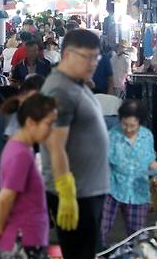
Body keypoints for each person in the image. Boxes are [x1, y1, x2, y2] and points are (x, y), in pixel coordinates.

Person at [41, 29, 108, 259]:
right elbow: (54, 144)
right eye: (87, 57)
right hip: (76, 193)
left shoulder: (74, 83)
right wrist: (66, 191)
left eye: (96, 58)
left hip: (88, 190)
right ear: (68, 54)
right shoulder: (60, 89)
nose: (93, 63)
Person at [0, 94, 58, 259]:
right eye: (49, 124)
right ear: (30, 122)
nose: (52, 129)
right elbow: (5, 197)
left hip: (27, 236)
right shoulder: (20, 153)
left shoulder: (22, 149)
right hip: (24, 240)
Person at [100, 100, 157, 246]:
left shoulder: (147, 136)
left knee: (137, 236)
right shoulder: (112, 135)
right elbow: (103, 162)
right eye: (125, 124)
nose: (128, 129)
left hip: (138, 190)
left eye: (133, 126)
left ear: (140, 123)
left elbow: (150, 160)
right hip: (113, 187)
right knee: (101, 229)